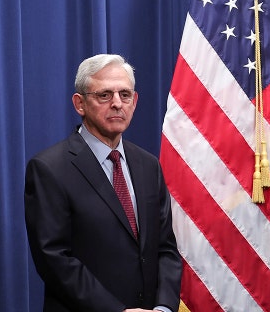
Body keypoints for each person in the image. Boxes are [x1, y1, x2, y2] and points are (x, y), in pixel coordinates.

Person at [24, 54, 182, 312]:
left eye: (125, 94)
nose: (117, 104)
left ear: (135, 101)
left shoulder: (148, 165)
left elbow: (165, 248)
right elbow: (54, 259)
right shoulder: (49, 168)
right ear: (80, 104)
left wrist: (163, 307)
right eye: (104, 95)